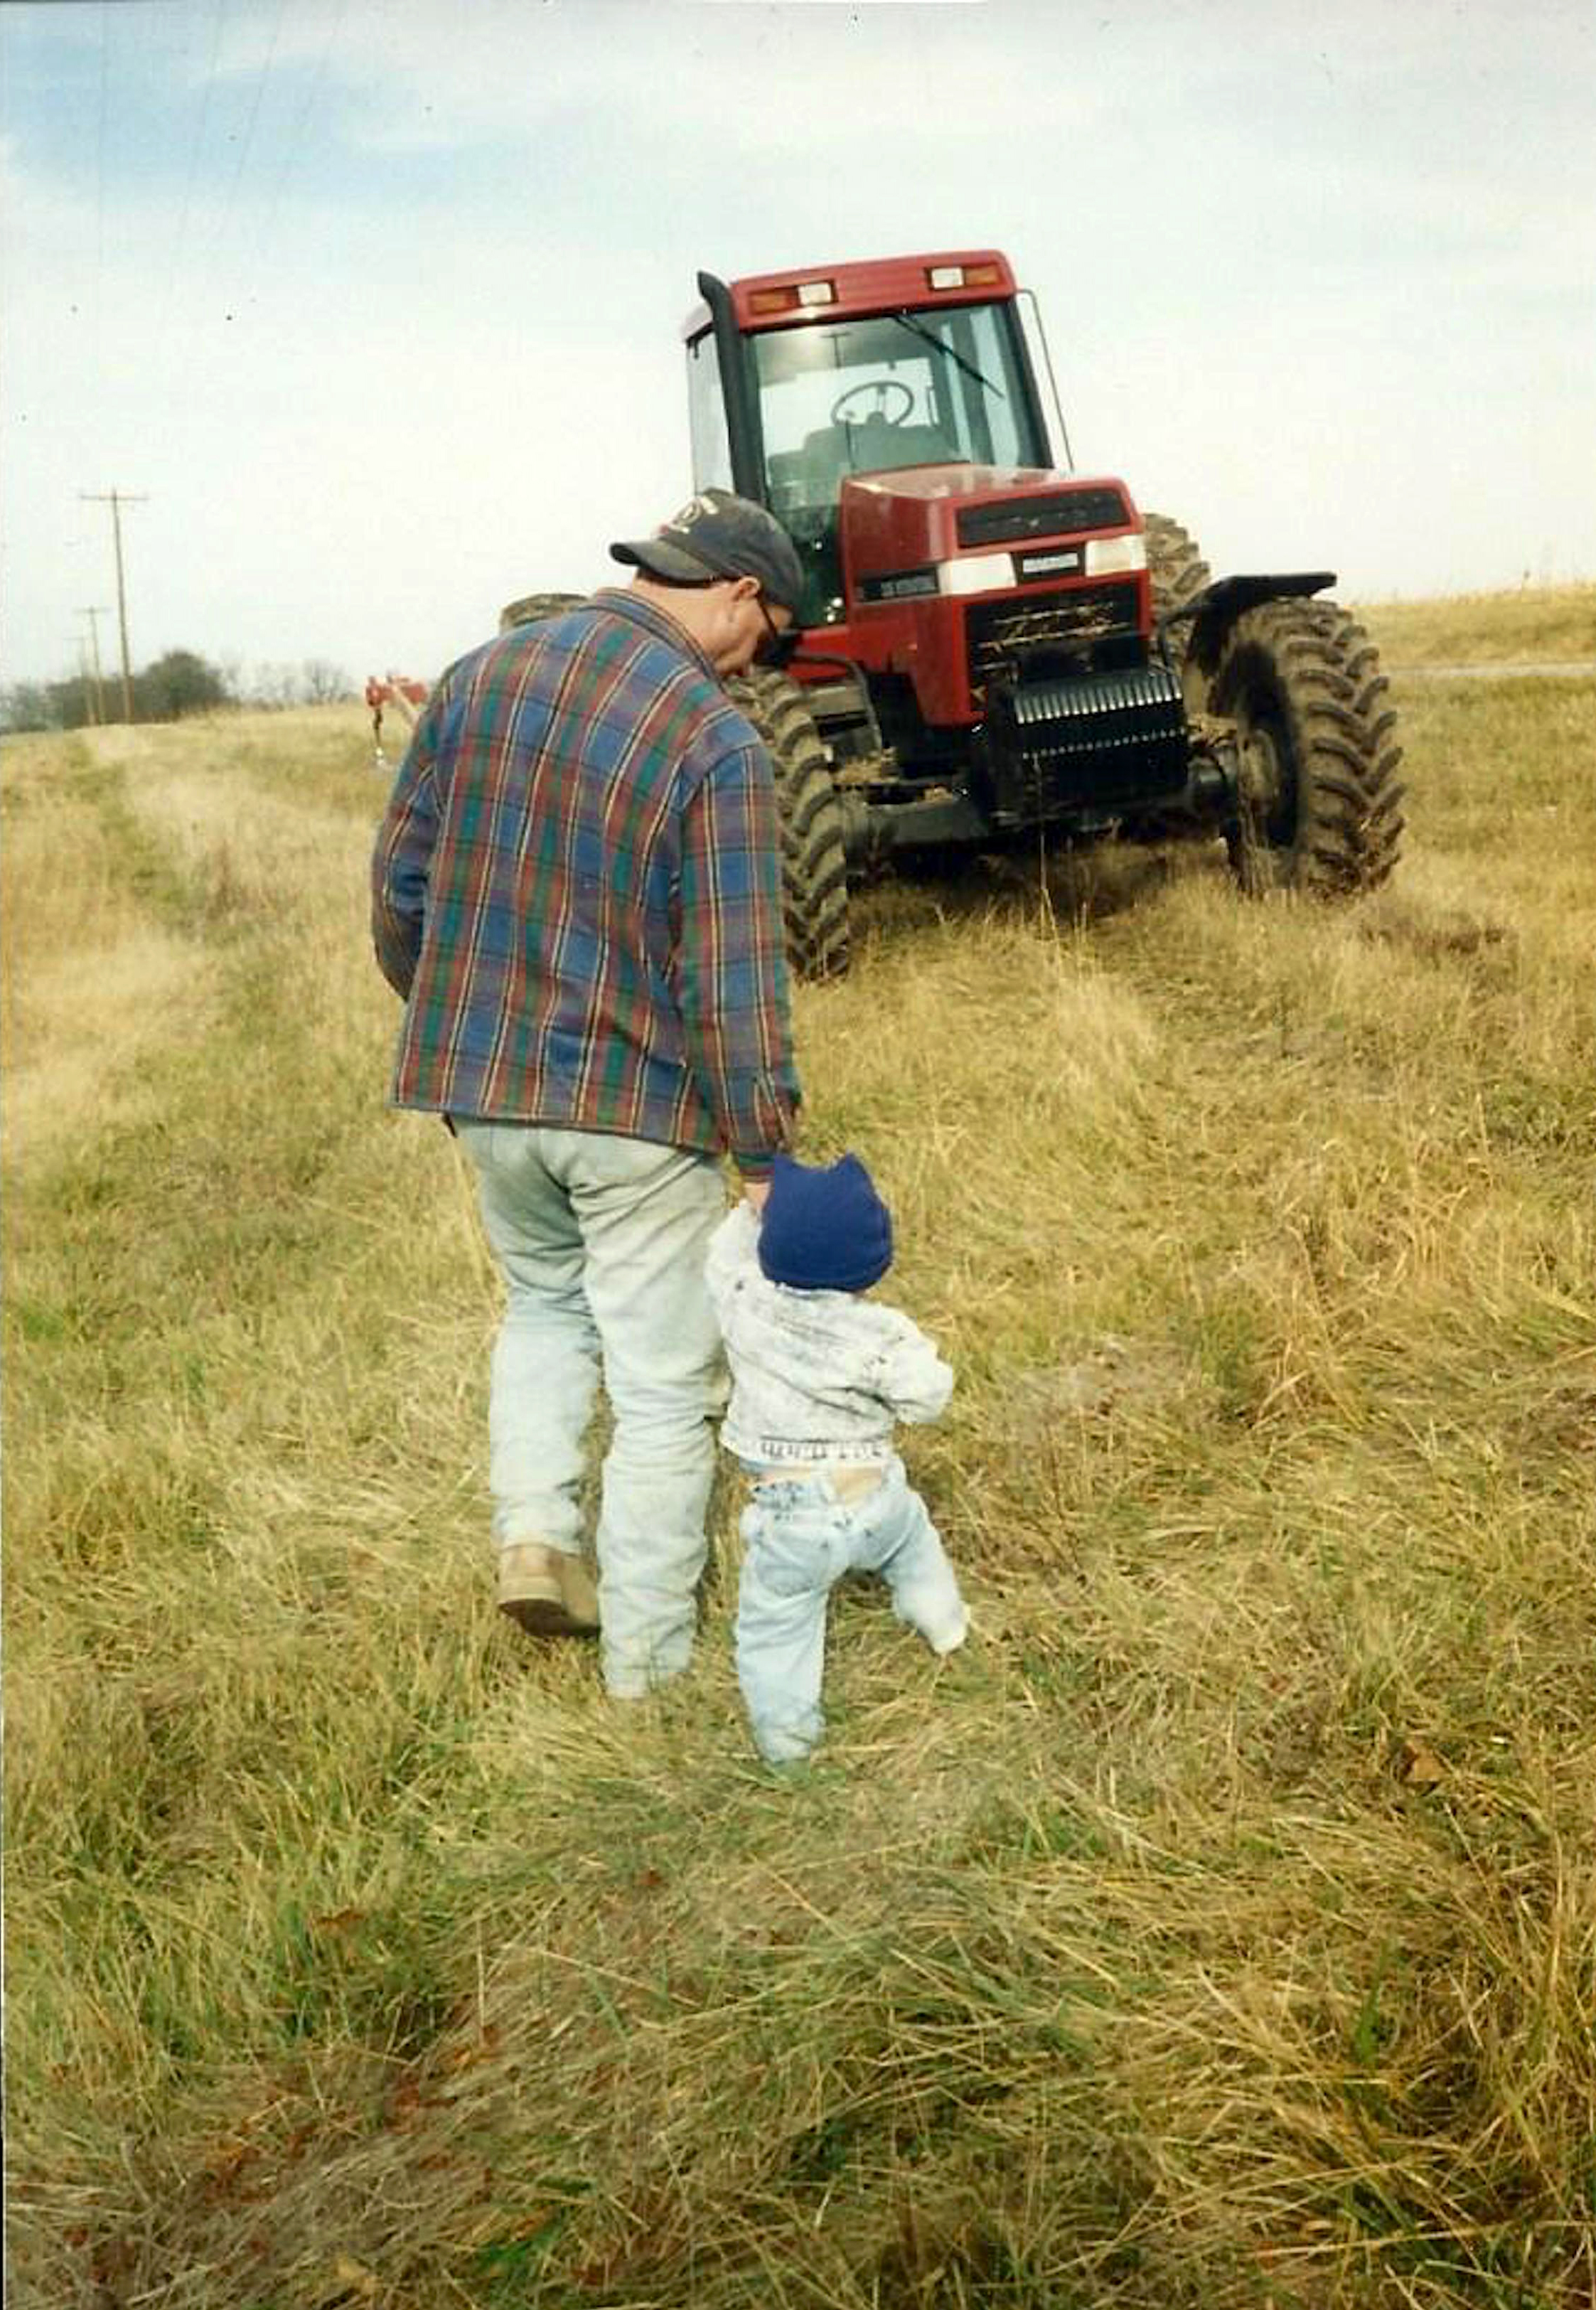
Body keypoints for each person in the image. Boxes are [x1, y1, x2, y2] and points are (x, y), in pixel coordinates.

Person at [370, 490, 806, 1700]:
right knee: (667, 1382)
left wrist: (455, 1019)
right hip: (634, 1112)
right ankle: (649, 1666)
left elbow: (399, 887)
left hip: (482, 1091)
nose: (758, 656)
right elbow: (731, 972)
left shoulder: (475, 676)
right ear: (732, 590)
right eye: (769, 627)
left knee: (547, 1309)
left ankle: (536, 1536)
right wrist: (761, 1145)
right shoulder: (714, 741)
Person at [705, 1152, 968, 1765]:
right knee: (916, 1545)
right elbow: (927, 1398)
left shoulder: (743, 1302)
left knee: (777, 1626)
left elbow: (720, 1258)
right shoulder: (880, 1332)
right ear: (870, 1264)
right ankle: (945, 1624)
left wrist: (751, 1209)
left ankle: (788, 1744)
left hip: (792, 1515)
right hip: (878, 1498)